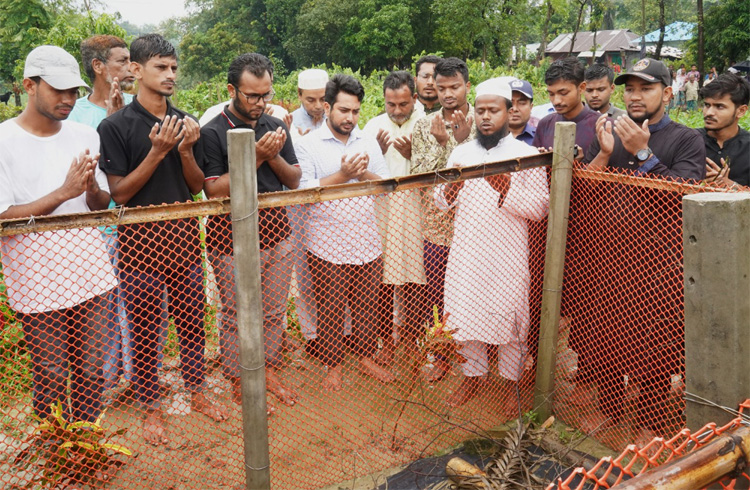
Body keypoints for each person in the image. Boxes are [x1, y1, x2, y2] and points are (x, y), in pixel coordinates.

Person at [97, 34, 228, 446]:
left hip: (186, 244)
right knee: (144, 331)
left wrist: (186, 150)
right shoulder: (116, 126)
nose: (170, 74)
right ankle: (151, 406)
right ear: (135, 70)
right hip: (139, 249)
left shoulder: (188, 122)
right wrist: (156, 152)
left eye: (173, 67)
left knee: (191, 324)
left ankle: (198, 392)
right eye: (160, 67)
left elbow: (196, 188)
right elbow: (118, 194)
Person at [582, 57, 705, 441]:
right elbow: (585, 194)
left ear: (667, 93)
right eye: (630, 88)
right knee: (605, 337)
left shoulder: (686, 139)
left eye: (646, 88)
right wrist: (604, 153)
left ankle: (651, 423)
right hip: (610, 258)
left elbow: (684, 195)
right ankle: (611, 412)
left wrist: (643, 154)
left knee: (655, 345)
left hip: (657, 263)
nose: (635, 96)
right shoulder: (609, 132)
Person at [0, 45, 116, 427]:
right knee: (50, 375)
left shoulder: (84, 134)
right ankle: (57, 451)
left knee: (92, 372)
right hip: (37, 283)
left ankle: (85, 446)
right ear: (29, 85)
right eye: (58, 90)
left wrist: (90, 190)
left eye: (74, 91)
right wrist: (63, 193)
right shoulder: (4, 142)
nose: (69, 99)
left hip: (92, 275)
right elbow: (3, 217)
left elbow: (98, 205)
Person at [434, 77, 549, 408]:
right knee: (466, 314)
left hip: (508, 255)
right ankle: (473, 378)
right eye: (481, 110)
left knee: (510, 317)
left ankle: (512, 384)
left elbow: (540, 209)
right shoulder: (461, 152)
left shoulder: (526, 155)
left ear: (509, 112)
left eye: (493, 110)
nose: (486, 117)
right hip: (468, 253)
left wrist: (505, 189)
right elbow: (441, 202)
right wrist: (450, 191)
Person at [201, 53, 301, 409]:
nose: (260, 103)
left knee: (273, 311)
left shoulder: (276, 126)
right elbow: (214, 190)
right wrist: (255, 155)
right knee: (236, 314)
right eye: (252, 96)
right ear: (232, 90)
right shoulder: (212, 131)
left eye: (266, 95)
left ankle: (268, 368)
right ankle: (237, 376)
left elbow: (293, 179)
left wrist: (271, 154)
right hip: (230, 242)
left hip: (278, 234)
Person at [296, 74, 393, 391]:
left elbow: (386, 185)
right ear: (326, 107)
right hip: (325, 245)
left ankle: (365, 358)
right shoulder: (307, 144)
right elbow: (303, 191)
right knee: (330, 308)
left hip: (367, 241)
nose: (350, 118)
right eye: (343, 110)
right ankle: (333, 366)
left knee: (368, 306)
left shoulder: (367, 142)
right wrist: (343, 174)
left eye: (355, 111)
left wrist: (362, 172)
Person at [68, 34, 136, 404]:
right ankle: (106, 381)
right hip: (96, 228)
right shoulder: (75, 115)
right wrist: (111, 121)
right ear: (98, 67)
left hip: (131, 222)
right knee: (104, 307)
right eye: (122, 61)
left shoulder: (138, 106)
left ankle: (138, 376)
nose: (130, 68)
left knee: (138, 307)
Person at [411, 57, 476, 381]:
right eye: (441, 87)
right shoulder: (424, 124)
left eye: (454, 86)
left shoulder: (484, 120)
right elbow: (418, 174)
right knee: (435, 297)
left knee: (474, 294)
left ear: (467, 85)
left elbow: (481, 167)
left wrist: (458, 142)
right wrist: (441, 145)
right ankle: (440, 356)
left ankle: (475, 363)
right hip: (436, 228)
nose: (448, 93)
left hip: (475, 228)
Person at [363, 71, 425, 366]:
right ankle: (385, 342)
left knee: (415, 280)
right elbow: (360, 168)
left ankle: (413, 341)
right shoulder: (373, 127)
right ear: (384, 100)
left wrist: (416, 154)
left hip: (417, 209)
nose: (398, 110)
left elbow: (438, 168)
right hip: (381, 211)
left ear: (414, 98)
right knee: (382, 282)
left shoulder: (427, 124)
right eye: (391, 104)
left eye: (403, 104)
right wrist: (376, 151)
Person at [532, 57, 600, 155]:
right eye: (551, 94)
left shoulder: (602, 126)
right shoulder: (545, 124)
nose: (556, 101)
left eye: (563, 93)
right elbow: (534, 169)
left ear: (581, 88)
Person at [700, 73, 750, 187]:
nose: (709, 113)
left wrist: (731, 186)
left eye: (719, 106)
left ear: (741, 111)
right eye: (707, 105)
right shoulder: (689, 140)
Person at [290, 68, 329, 136]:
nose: (318, 106)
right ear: (299, 94)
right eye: (311, 100)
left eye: (323, 99)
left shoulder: (337, 120)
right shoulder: (291, 123)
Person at [508, 78, 536, 145]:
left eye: (522, 103)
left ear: (531, 107)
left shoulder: (541, 138)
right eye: (510, 103)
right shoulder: (491, 138)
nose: (515, 109)